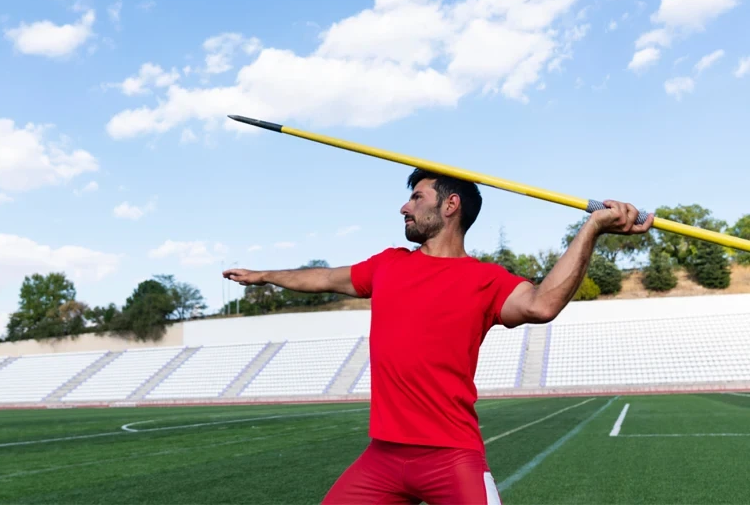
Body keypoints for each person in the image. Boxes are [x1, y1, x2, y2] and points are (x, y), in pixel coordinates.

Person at [223, 168, 653, 504]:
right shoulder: (388, 265)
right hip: (383, 458)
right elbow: (323, 277)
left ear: (450, 206)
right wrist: (264, 275)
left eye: (416, 197)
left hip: (451, 456)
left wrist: (592, 228)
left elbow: (542, 304)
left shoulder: (485, 279)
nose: (403, 208)